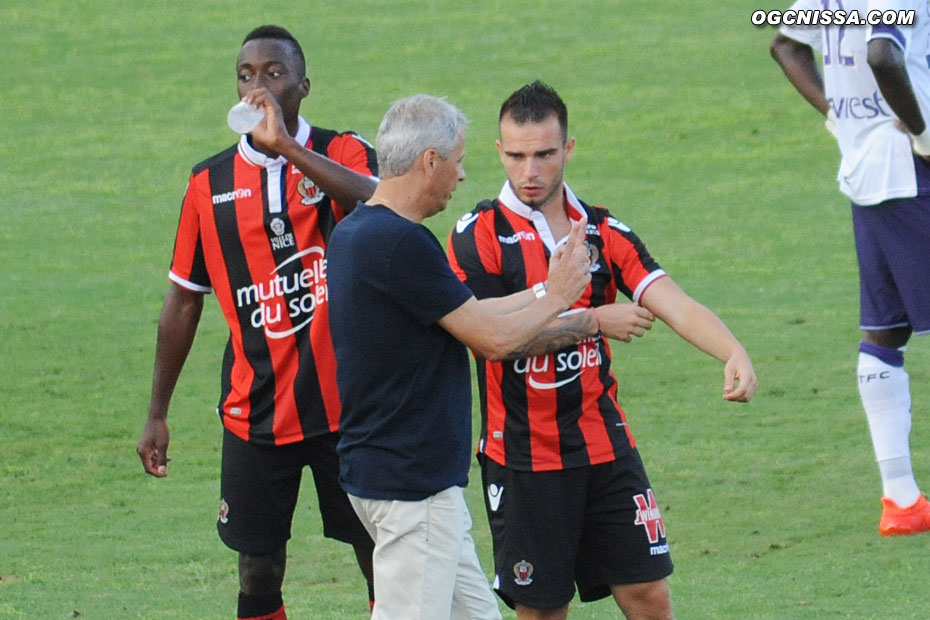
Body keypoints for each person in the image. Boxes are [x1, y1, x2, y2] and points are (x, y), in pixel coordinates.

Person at [446, 81, 758, 620]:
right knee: (544, 611)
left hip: (606, 449)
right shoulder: (478, 236)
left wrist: (731, 350)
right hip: (523, 458)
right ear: (498, 152)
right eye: (517, 156)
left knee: (649, 597)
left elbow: (672, 301)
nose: (530, 171)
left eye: (544, 154)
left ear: (567, 149)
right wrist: (592, 322)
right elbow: (490, 341)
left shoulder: (604, 232)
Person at [136, 25, 380, 620]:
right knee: (258, 566)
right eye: (246, 75)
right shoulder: (207, 184)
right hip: (257, 411)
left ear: (303, 85)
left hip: (348, 410)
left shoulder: (341, 151)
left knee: (379, 552)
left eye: (273, 73)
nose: (258, 86)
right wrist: (158, 412)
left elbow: (382, 204)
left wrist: (288, 151)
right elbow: (184, 301)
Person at [325, 94, 593, 620]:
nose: (463, 174)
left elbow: (472, 312)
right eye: (457, 160)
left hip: (387, 476)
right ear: (429, 161)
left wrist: (545, 288)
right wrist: (560, 299)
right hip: (412, 490)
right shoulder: (404, 245)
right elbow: (491, 341)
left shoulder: (359, 231)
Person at [771, 1, 930, 536]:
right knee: (886, 330)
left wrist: (837, 112)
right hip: (913, 165)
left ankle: (902, 501)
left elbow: (784, 42)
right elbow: (883, 53)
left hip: (866, 162)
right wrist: (923, 132)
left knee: (884, 330)